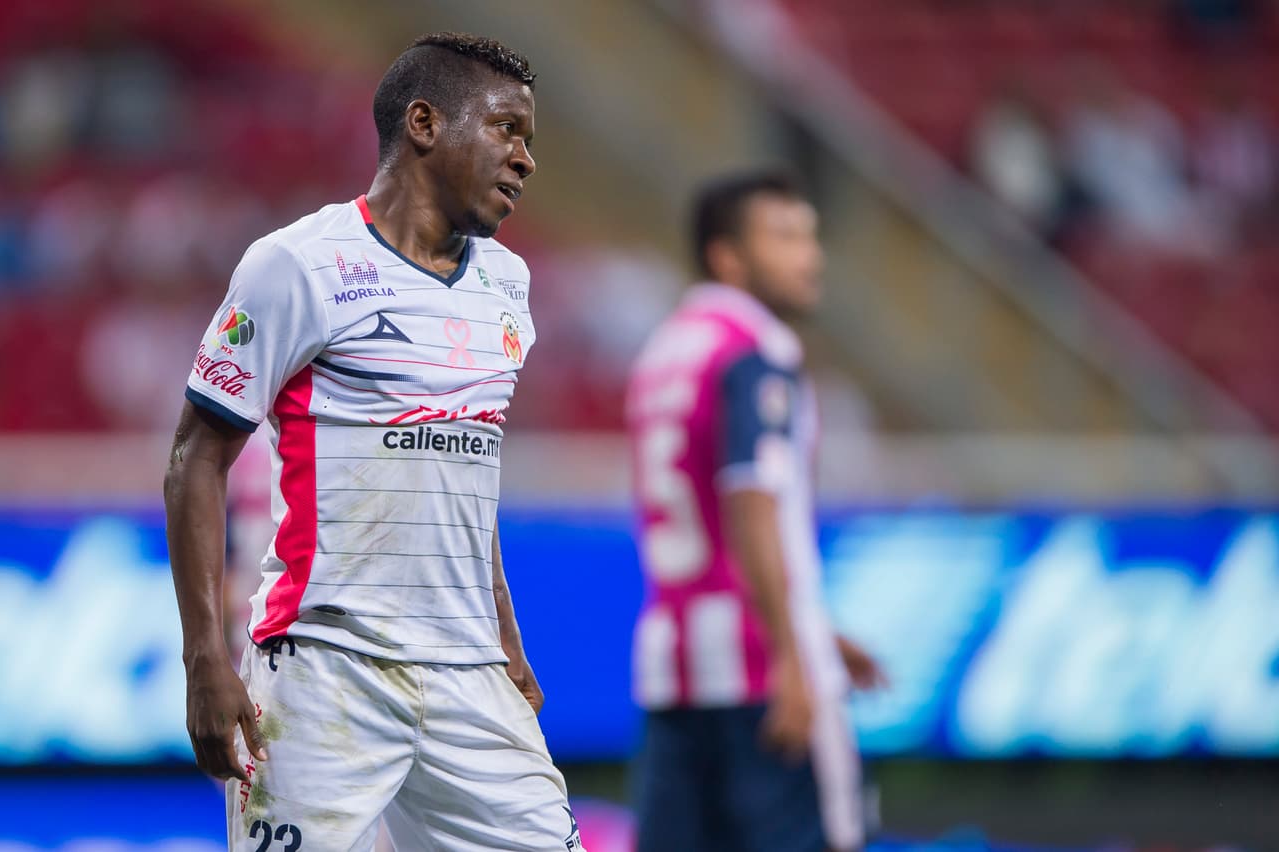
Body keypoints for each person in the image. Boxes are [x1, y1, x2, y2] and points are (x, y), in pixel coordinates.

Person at [163, 32, 584, 851]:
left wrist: (505, 631)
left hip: (470, 674)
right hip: (324, 667)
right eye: (507, 129)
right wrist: (204, 659)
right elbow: (195, 460)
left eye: (529, 140)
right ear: (424, 124)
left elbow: (466, 462)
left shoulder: (509, 284)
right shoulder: (296, 265)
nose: (526, 159)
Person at [625, 171, 886, 852]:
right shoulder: (756, 348)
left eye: (811, 236)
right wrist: (793, 652)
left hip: (674, 667)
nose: (811, 256)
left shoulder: (663, 351)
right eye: (787, 237)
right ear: (727, 256)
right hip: (758, 668)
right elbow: (749, 501)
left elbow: (710, 519)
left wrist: (820, 631)